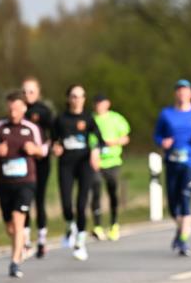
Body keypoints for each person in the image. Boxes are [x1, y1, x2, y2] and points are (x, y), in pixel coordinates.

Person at [0, 91, 46, 277]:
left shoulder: (31, 128)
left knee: (18, 220)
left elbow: (44, 149)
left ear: (24, 108)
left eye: (17, 109)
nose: (13, 112)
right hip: (4, 183)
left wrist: (34, 150)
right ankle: (23, 244)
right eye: (11, 109)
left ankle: (15, 262)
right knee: (10, 227)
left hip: (26, 182)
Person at [153, 79, 191, 256]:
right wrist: (162, 142)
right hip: (172, 161)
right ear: (175, 94)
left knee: (185, 198)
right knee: (173, 205)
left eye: (185, 90)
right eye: (178, 90)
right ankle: (181, 231)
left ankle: (183, 240)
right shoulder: (166, 114)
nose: (182, 94)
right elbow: (157, 134)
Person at [52, 84, 102, 261]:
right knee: (66, 203)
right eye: (73, 96)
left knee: (81, 204)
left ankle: (80, 240)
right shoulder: (61, 119)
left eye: (80, 96)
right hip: (66, 164)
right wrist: (55, 147)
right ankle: (69, 225)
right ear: (68, 99)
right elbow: (54, 140)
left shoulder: (88, 118)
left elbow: (97, 139)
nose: (77, 99)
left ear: (84, 99)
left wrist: (95, 152)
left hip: (84, 164)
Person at [89, 93, 131, 241]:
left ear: (108, 104)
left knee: (112, 191)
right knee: (95, 189)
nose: (99, 106)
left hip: (113, 161)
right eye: (96, 103)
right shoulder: (90, 119)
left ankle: (114, 224)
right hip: (96, 161)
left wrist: (115, 142)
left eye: (101, 103)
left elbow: (126, 137)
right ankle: (97, 226)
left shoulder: (116, 118)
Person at [22, 77, 54, 258]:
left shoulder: (44, 111)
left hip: (41, 161)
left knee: (39, 200)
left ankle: (42, 239)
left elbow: (53, 136)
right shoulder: (19, 110)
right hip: (24, 162)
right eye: (24, 91)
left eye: (31, 91)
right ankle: (25, 240)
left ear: (38, 92)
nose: (28, 95)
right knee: (25, 200)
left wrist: (42, 149)